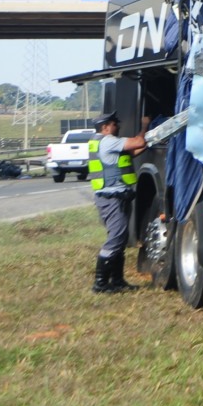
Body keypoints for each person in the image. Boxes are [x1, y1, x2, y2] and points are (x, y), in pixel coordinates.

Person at [88, 111, 147, 294]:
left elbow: (133, 152)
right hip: (111, 198)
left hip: (116, 197)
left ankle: (117, 281)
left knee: (119, 238)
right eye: (114, 123)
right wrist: (145, 126)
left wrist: (147, 142)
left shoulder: (103, 142)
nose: (118, 126)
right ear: (105, 127)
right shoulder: (108, 141)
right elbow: (138, 142)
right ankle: (101, 283)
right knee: (116, 238)